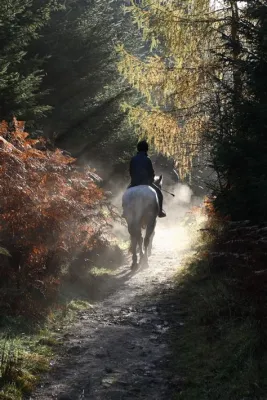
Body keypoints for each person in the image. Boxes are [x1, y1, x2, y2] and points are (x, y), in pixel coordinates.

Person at [128, 140, 166, 218]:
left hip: (135, 183)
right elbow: (151, 172)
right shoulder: (147, 159)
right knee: (159, 194)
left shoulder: (133, 159)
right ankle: (160, 211)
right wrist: (151, 179)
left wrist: (134, 179)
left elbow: (131, 171)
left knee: (125, 193)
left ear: (138, 149)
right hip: (146, 183)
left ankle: (125, 211)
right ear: (146, 149)